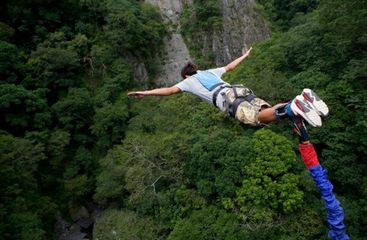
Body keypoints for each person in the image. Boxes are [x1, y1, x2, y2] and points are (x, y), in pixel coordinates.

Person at [128, 47, 329, 143]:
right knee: (265, 111)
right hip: (240, 90)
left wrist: (145, 92)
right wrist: (245, 55)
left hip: (228, 100)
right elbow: (230, 66)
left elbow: (169, 91)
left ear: (186, 75)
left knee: (257, 119)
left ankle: (293, 108)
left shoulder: (188, 81)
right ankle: (297, 102)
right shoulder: (209, 72)